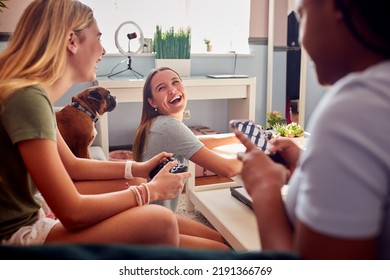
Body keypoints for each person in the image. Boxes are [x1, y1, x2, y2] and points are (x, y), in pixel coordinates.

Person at [0, 0, 227, 250]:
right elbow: (72, 213)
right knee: (158, 219)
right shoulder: (28, 98)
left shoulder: (30, 93)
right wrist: (151, 192)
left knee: (136, 182)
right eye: (98, 38)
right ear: (71, 41)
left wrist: (139, 168)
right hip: (17, 234)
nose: (104, 50)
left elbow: (72, 166)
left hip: (28, 213)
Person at [234, 0, 390, 259]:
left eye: (302, 17)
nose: (301, 39)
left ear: (335, 7)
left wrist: (263, 189)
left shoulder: (353, 110)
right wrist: (310, 165)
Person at [132, 67, 242, 211]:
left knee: (214, 235)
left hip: (152, 213)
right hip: (153, 220)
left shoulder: (157, 123)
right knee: (219, 235)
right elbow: (228, 170)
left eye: (175, 82)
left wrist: (236, 138)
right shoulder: (168, 127)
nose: (172, 90)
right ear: (153, 102)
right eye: (162, 88)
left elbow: (194, 144)